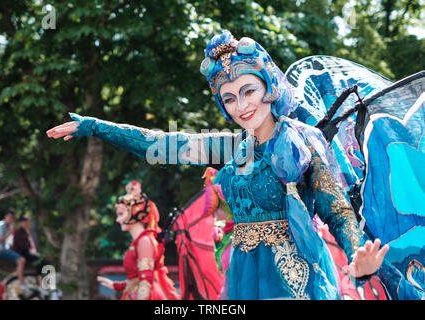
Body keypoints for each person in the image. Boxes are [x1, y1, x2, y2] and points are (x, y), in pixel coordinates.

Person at [47, 31, 394, 300]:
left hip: (294, 277)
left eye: (248, 91)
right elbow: (158, 143)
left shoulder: (300, 140)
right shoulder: (230, 148)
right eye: (229, 98)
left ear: (269, 88)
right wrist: (95, 126)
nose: (241, 105)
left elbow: (337, 210)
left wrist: (357, 257)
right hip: (243, 275)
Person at [97, 185, 180, 300]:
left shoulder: (144, 241)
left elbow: (146, 281)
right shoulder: (139, 241)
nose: (118, 220)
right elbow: (137, 279)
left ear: (134, 213)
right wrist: (116, 285)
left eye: (121, 214)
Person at [12, 214, 50, 297]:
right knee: (40, 261)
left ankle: (42, 285)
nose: (25, 223)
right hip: (21, 253)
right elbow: (22, 247)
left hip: (27, 253)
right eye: (23, 222)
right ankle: (41, 285)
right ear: (20, 223)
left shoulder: (26, 232)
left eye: (26, 222)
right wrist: (32, 252)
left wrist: (34, 252)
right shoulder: (19, 232)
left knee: (43, 261)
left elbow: (31, 246)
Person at [0, 209, 27, 294]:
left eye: (12, 218)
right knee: (21, 260)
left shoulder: (9, 226)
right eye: (9, 217)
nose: (11, 219)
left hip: (5, 251)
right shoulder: (0, 226)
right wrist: (10, 233)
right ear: (5, 217)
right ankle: (22, 284)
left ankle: (18, 281)